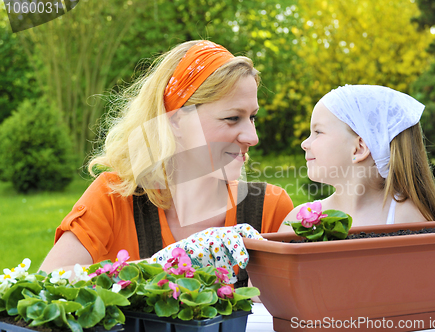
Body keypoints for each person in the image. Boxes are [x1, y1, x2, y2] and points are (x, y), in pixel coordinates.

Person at [40, 40, 293, 274]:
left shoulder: (270, 210)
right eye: (232, 118)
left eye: (252, 118)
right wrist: (169, 263)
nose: (252, 137)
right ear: (176, 122)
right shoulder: (115, 199)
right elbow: (46, 284)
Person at [279, 85, 435, 230]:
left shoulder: (408, 220)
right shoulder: (297, 221)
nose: (304, 143)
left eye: (318, 132)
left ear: (359, 148)